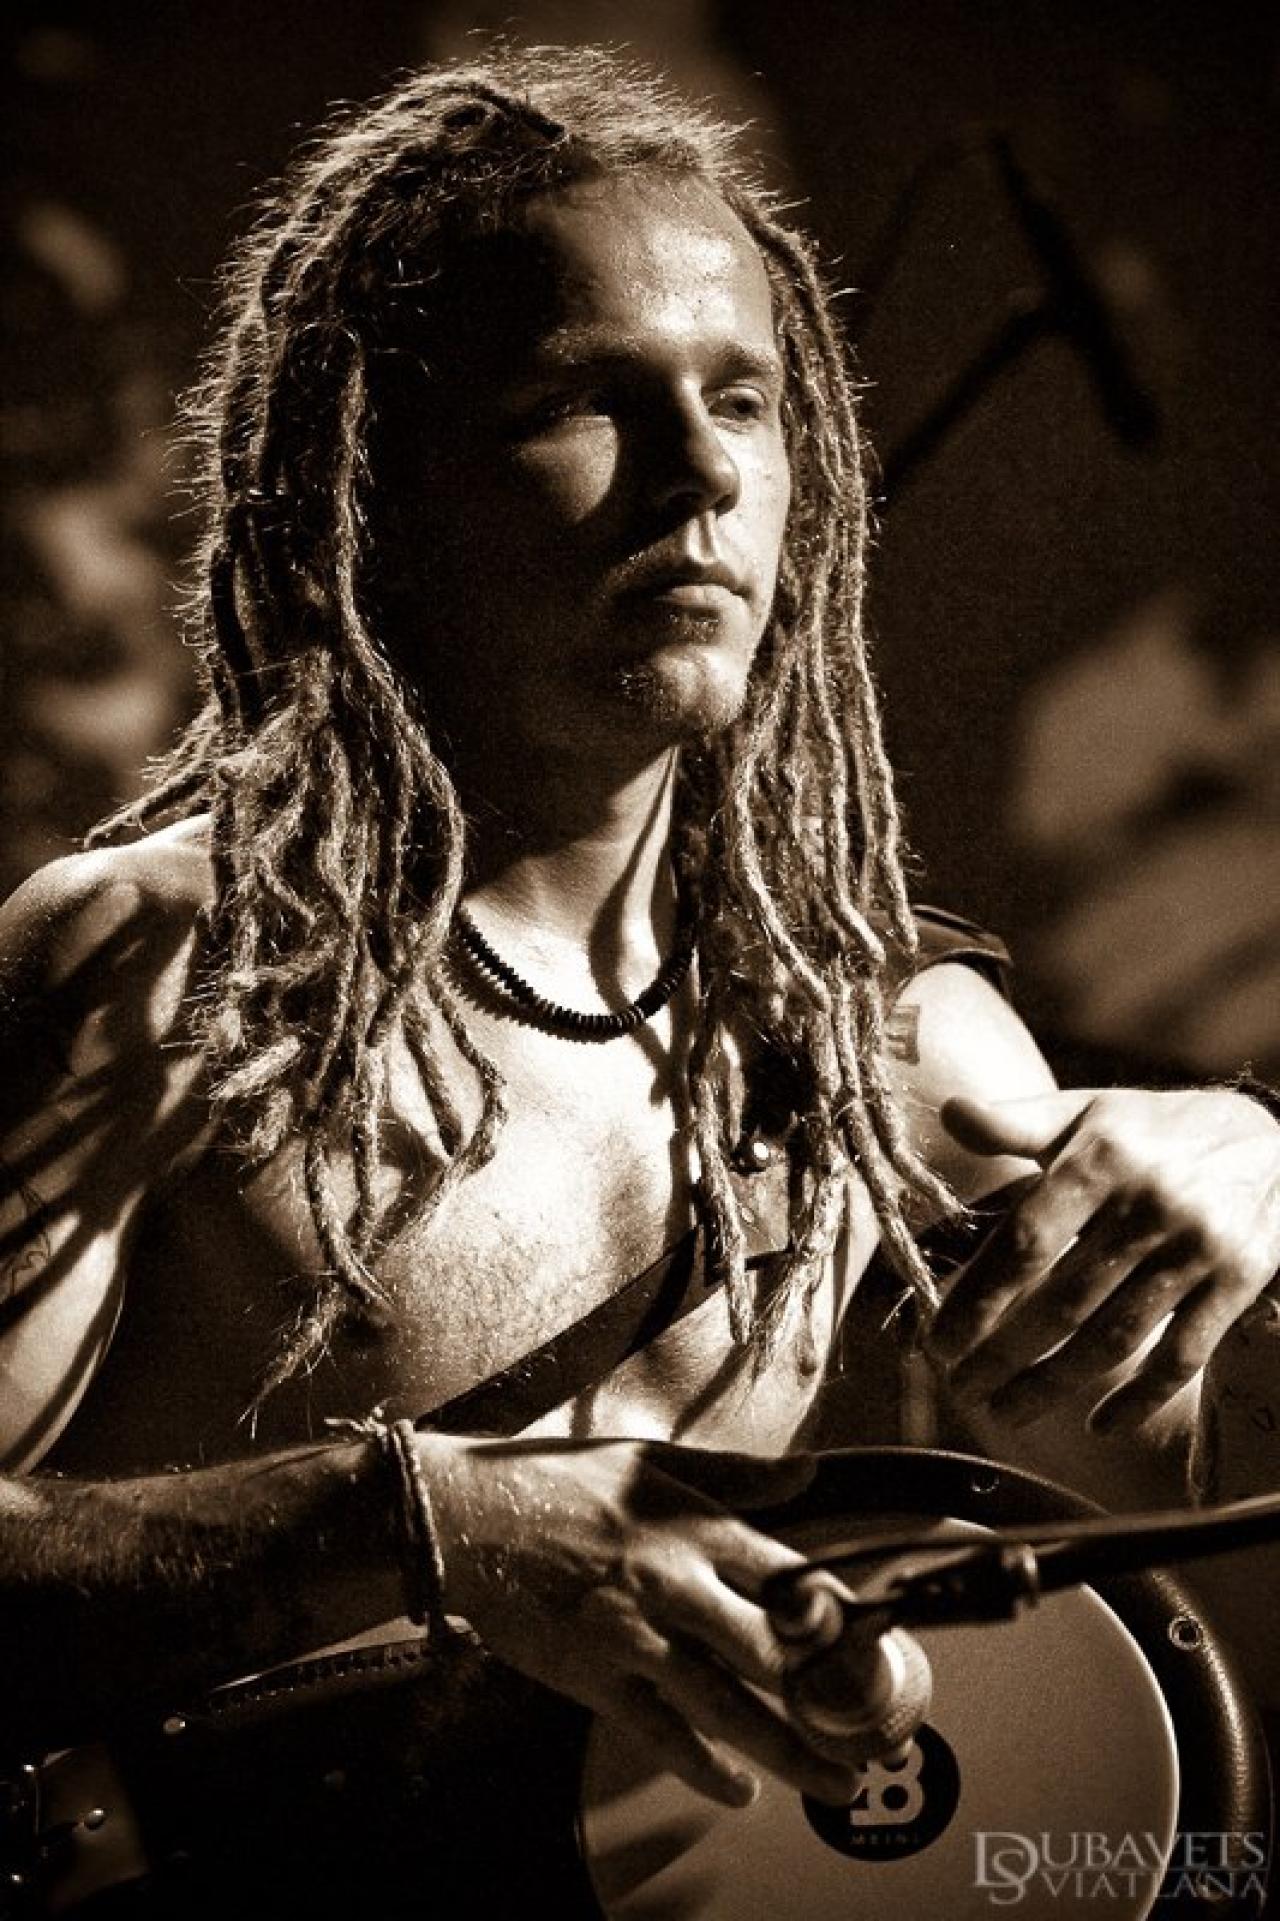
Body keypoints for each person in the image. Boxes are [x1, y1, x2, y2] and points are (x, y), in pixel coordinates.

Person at [1, 44, 1277, 1918]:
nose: (702, 473)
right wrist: (431, 1520)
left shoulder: (874, 1046)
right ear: (374, 490)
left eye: (742, 399)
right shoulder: (167, 969)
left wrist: (1246, 1164)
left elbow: (1153, 1526)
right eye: (585, 401)